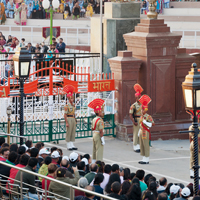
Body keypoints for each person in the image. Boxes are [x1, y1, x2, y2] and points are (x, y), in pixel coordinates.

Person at [138, 94, 155, 164]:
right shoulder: (141, 117)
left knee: (145, 145)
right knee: (141, 145)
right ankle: (143, 157)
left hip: (146, 131)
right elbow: (140, 124)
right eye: (141, 109)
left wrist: (146, 122)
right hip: (142, 130)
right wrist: (139, 131)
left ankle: (147, 159)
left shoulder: (148, 116)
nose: (141, 111)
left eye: (142, 109)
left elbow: (153, 124)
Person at [129, 83, 143, 153]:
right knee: (136, 133)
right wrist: (133, 121)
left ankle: (140, 145)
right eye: (138, 97)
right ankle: (135, 146)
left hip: (142, 120)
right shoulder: (133, 106)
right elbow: (130, 114)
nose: (139, 98)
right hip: (137, 120)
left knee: (140, 133)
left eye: (140, 97)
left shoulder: (143, 105)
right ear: (136, 98)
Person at [64, 85, 77, 150]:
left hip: (73, 118)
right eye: (71, 98)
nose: (72, 99)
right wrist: (66, 122)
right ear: (69, 99)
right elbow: (65, 115)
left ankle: (72, 144)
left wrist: (75, 120)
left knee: (72, 131)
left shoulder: (73, 105)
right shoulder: (67, 106)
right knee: (69, 131)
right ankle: (68, 144)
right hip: (69, 118)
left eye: (72, 98)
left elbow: (74, 114)